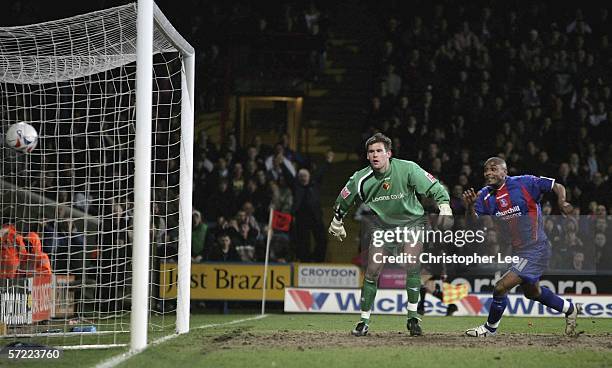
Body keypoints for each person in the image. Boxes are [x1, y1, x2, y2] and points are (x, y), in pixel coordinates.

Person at [329, 133, 452, 336]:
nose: (375, 155)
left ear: (389, 154)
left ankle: (413, 318)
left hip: (413, 224)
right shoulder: (360, 179)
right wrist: (337, 220)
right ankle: (364, 321)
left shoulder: (408, 168)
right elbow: (344, 199)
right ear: (367, 156)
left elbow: (434, 187)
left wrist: (444, 206)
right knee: (372, 270)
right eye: (371, 152)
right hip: (383, 228)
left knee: (412, 265)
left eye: (379, 151)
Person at [462, 157, 581, 337]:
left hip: (537, 249)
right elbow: (472, 223)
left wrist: (562, 201)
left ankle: (489, 329)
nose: (488, 173)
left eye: (493, 169)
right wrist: (469, 206)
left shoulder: (524, 183)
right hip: (519, 251)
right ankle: (570, 309)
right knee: (533, 292)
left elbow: (556, 185)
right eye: (486, 170)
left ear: (505, 172)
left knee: (501, 287)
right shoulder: (485, 196)